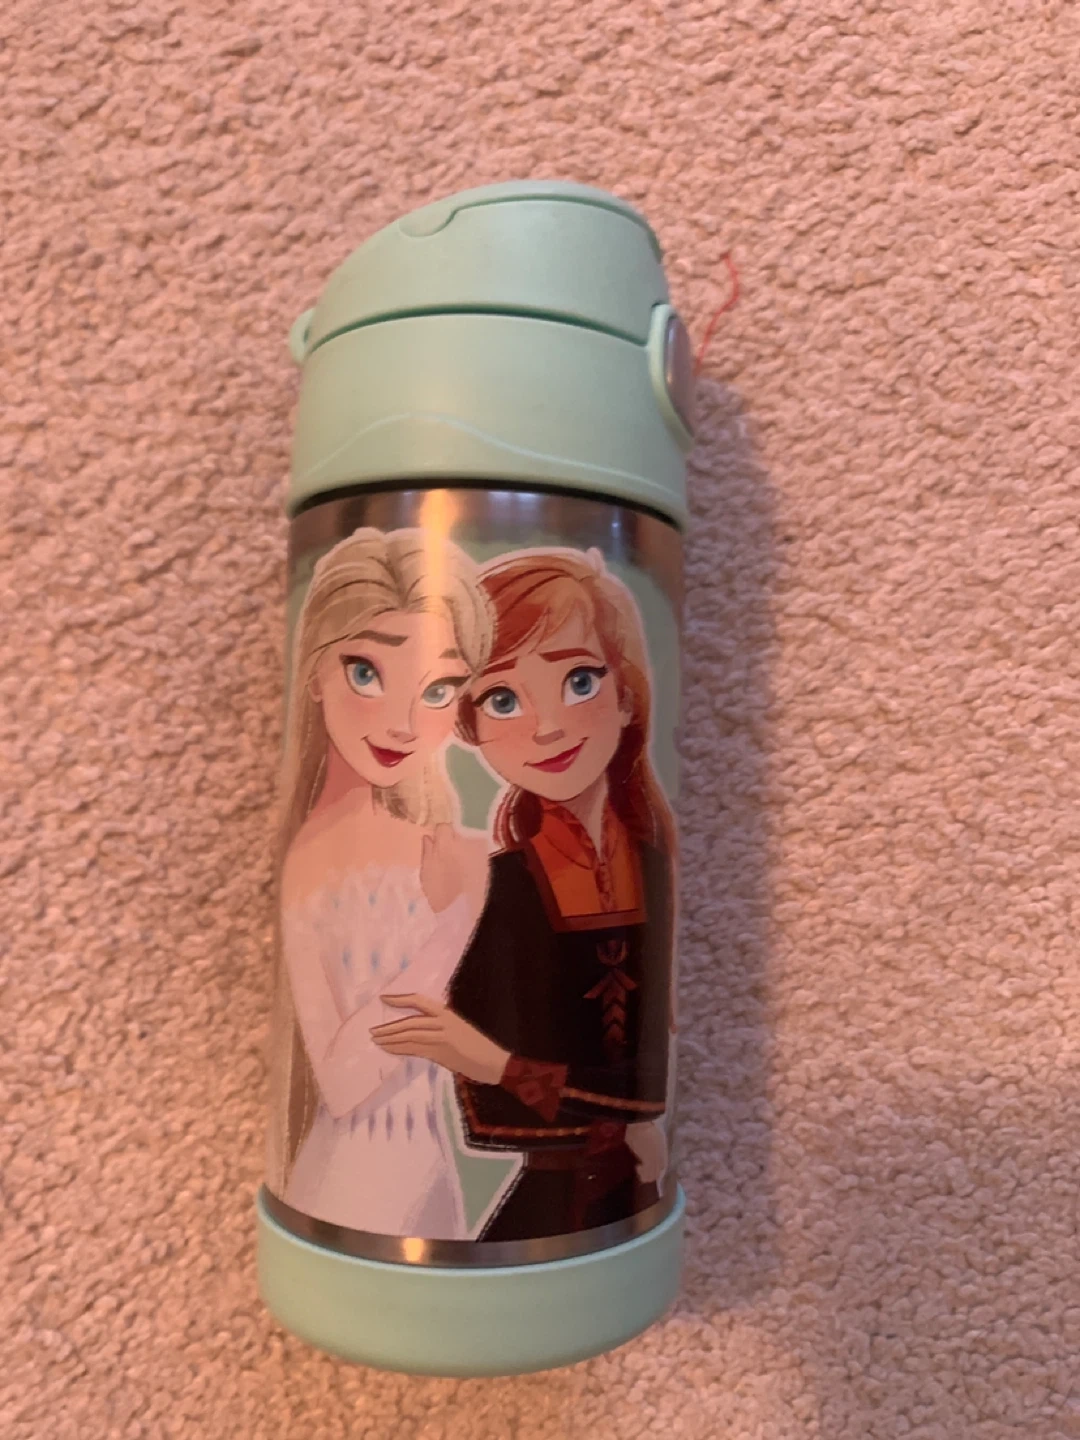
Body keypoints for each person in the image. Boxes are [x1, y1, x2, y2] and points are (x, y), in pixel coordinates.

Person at [372, 547, 675, 1240]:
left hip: (631, 1194)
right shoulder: (497, 889)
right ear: (471, 727)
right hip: (553, 1193)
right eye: (502, 700)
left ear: (627, 694)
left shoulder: (657, 867)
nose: (546, 726)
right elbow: (502, 1106)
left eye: (579, 681)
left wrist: (502, 1066)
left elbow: (650, 1078)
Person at [268, 527, 491, 1239]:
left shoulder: (434, 844)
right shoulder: (313, 856)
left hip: (429, 1173)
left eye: (438, 689)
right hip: (353, 1186)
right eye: (366, 672)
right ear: (315, 674)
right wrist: (456, 920)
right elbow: (342, 1080)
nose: (402, 723)